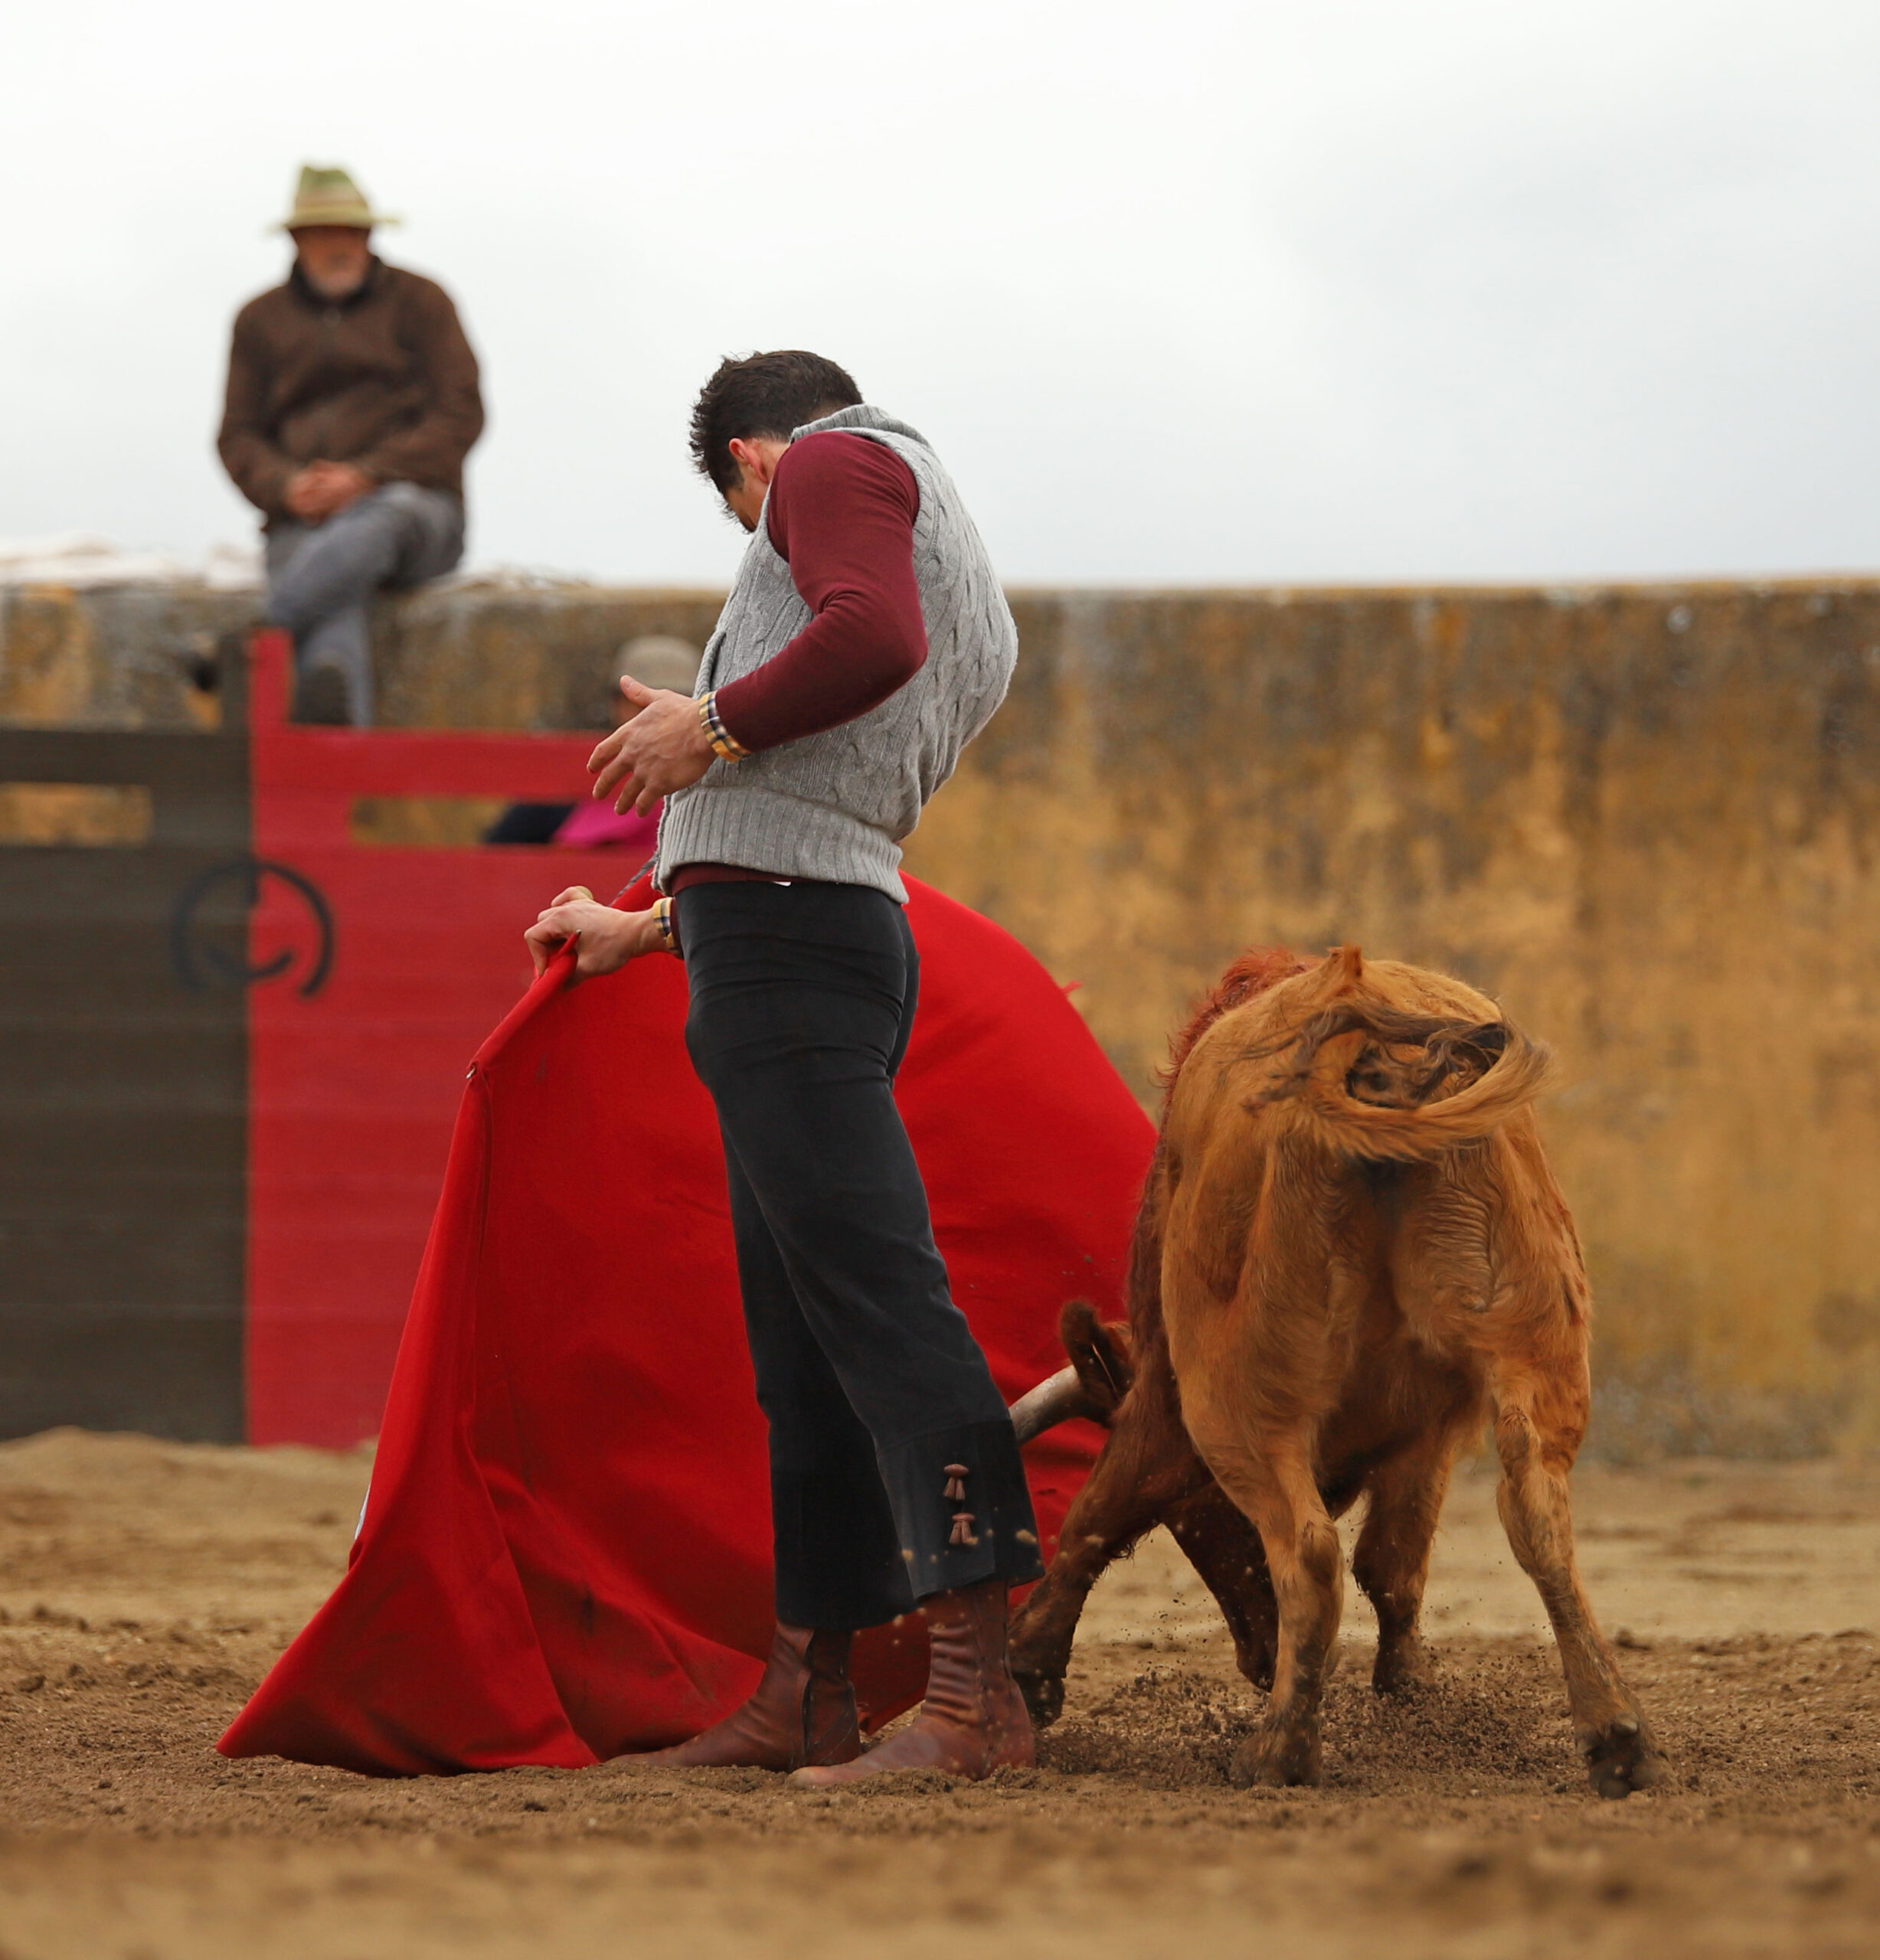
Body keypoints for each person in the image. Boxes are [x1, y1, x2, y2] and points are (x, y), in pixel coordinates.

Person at [524, 351, 1038, 1786]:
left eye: (751, 527)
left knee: (877, 1306)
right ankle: (807, 1689)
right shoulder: (941, 536)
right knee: (805, 1341)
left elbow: (869, 641)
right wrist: (656, 924)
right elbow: (812, 813)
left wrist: (713, 719)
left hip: (796, 957)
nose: (778, 551)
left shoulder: (828, 466)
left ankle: (974, 1699)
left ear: (750, 460)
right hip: (803, 938)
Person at [217, 165, 484, 725]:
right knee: (333, 594)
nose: (340, 244)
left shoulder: (423, 301)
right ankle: (338, 743)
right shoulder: (257, 320)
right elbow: (237, 436)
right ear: (297, 240)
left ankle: (257, 631)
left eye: (351, 231)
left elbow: (460, 415)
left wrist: (365, 477)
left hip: (417, 512)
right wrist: (289, 487)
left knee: (381, 517)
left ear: (368, 236)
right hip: (301, 519)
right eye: (324, 231)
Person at [485, 636, 700, 848]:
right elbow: (498, 854)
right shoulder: (570, 781)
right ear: (617, 706)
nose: (660, 719)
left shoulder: (707, 784)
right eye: (644, 706)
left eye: (676, 708)